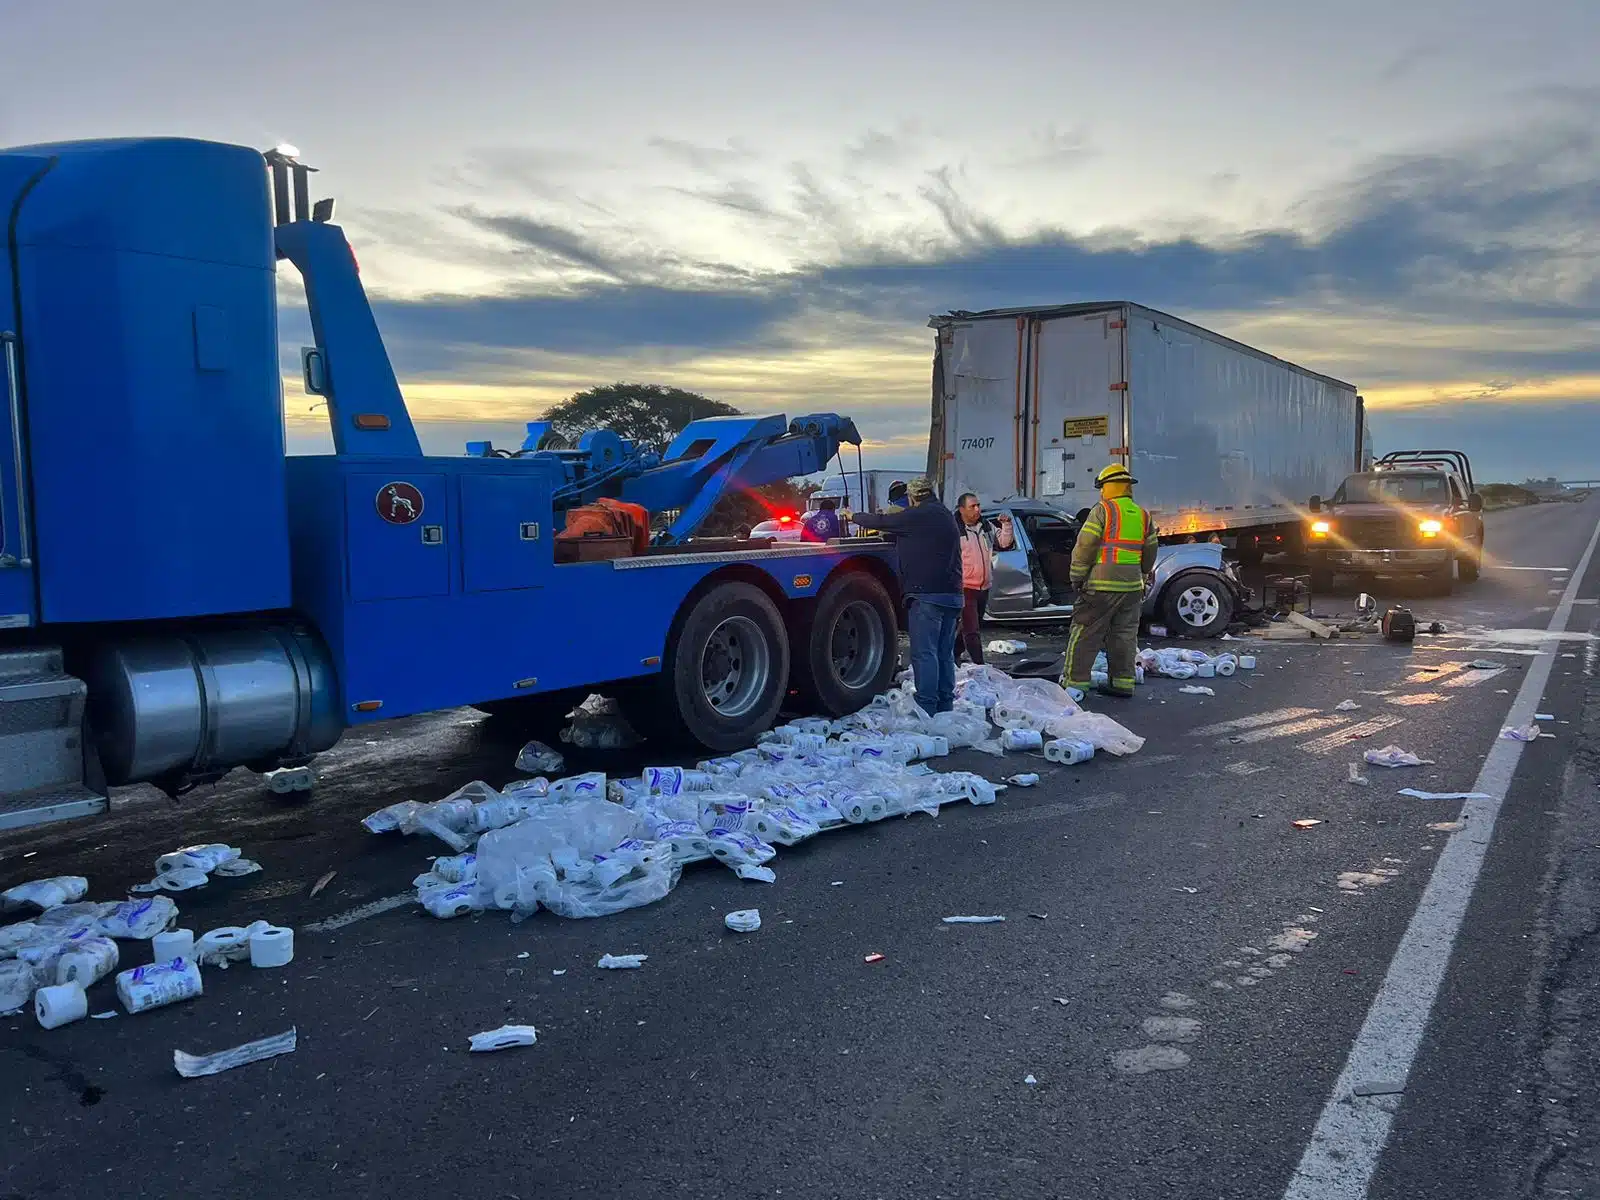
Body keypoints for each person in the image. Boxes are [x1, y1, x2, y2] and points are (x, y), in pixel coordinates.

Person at [843, 478, 961, 714]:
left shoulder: (918, 515)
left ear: (913, 497)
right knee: (944, 653)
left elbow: (884, 521)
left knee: (925, 653)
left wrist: (852, 516)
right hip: (953, 594)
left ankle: (927, 707)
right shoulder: (945, 514)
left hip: (927, 594)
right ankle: (945, 705)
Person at [1063, 464, 1158, 699]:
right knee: (1124, 636)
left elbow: (1085, 545)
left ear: (1107, 487)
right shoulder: (1143, 515)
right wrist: (1143, 573)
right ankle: (1123, 683)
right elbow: (1150, 550)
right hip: (1132, 588)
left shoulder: (1103, 510)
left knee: (1085, 633)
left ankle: (1074, 685)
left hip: (1101, 586)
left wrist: (1077, 576)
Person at [954, 493, 1014, 664]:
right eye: (972, 506)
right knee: (972, 630)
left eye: (978, 505)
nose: (977, 509)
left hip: (983, 586)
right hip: (965, 587)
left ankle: (953, 652)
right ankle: (980, 665)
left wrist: (1007, 525)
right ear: (962, 509)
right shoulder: (955, 530)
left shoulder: (986, 526)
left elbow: (1004, 543)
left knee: (970, 626)